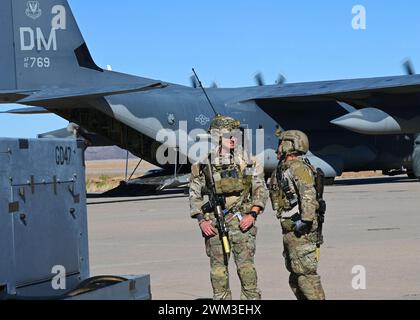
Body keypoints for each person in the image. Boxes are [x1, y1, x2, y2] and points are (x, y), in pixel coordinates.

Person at [189, 115, 268, 300]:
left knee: (247, 271)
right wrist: (201, 220)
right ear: (217, 137)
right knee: (218, 273)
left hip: (242, 223)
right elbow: (194, 194)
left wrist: (253, 214)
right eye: (228, 136)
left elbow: (260, 190)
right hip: (214, 225)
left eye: (235, 135)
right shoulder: (203, 164)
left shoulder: (248, 161)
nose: (233, 139)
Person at [269, 130, 326, 300]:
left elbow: (308, 195)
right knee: (295, 278)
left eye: (281, 143)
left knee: (306, 277)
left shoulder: (299, 168)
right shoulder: (283, 169)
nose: (278, 147)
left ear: (290, 145)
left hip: (301, 231)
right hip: (290, 231)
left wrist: (305, 221)